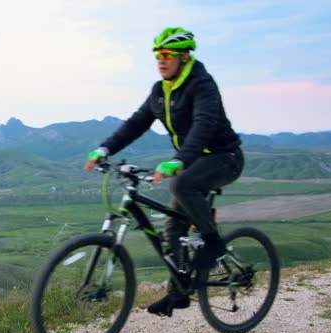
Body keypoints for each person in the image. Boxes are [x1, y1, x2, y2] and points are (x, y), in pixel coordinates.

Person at [85, 27, 244, 317]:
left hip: (224, 157)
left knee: (180, 185)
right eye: (158, 55)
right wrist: (105, 149)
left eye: (167, 54)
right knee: (173, 227)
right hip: (194, 162)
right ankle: (179, 293)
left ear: (185, 56)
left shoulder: (202, 85)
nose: (161, 60)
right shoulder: (160, 91)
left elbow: (203, 125)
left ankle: (213, 243)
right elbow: (136, 123)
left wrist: (180, 160)